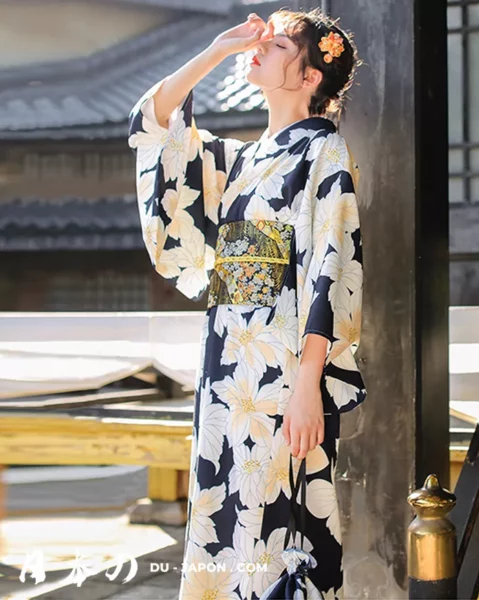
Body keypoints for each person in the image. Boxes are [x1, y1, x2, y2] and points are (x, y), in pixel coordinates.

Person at [128, 7, 366, 599]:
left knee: (279, 527)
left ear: (311, 77)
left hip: (281, 367)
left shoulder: (322, 152)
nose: (261, 49)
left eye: (281, 45)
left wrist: (310, 383)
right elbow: (152, 122)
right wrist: (216, 51)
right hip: (228, 366)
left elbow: (330, 265)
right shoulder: (238, 162)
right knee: (222, 517)